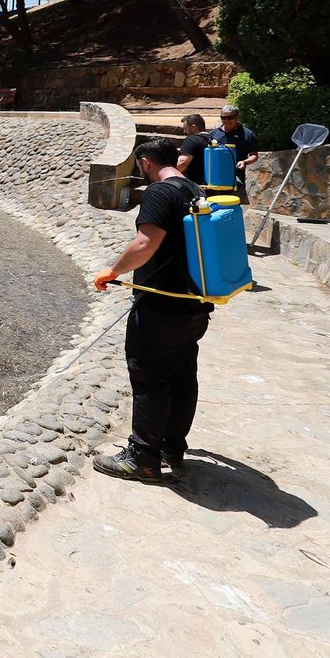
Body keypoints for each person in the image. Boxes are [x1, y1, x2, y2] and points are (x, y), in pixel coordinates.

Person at [90, 137, 210, 484]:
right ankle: (172, 448)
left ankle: (143, 458)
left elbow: (145, 244)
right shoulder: (194, 189)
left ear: (145, 162)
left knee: (150, 377)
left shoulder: (159, 193)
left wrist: (112, 271)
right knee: (182, 376)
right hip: (194, 304)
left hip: (162, 305)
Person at [210, 104, 260, 202]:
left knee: (234, 206)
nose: (226, 120)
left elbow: (254, 155)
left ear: (237, 117)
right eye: (223, 117)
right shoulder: (214, 133)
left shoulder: (247, 134)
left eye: (230, 117)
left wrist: (244, 162)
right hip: (215, 179)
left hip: (235, 180)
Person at [174, 113, 209, 188]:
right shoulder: (212, 139)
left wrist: (167, 176)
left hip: (196, 187)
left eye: (185, 129)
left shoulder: (192, 139)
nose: (184, 132)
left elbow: (182, 162)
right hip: (210, 185)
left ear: (193, 127)